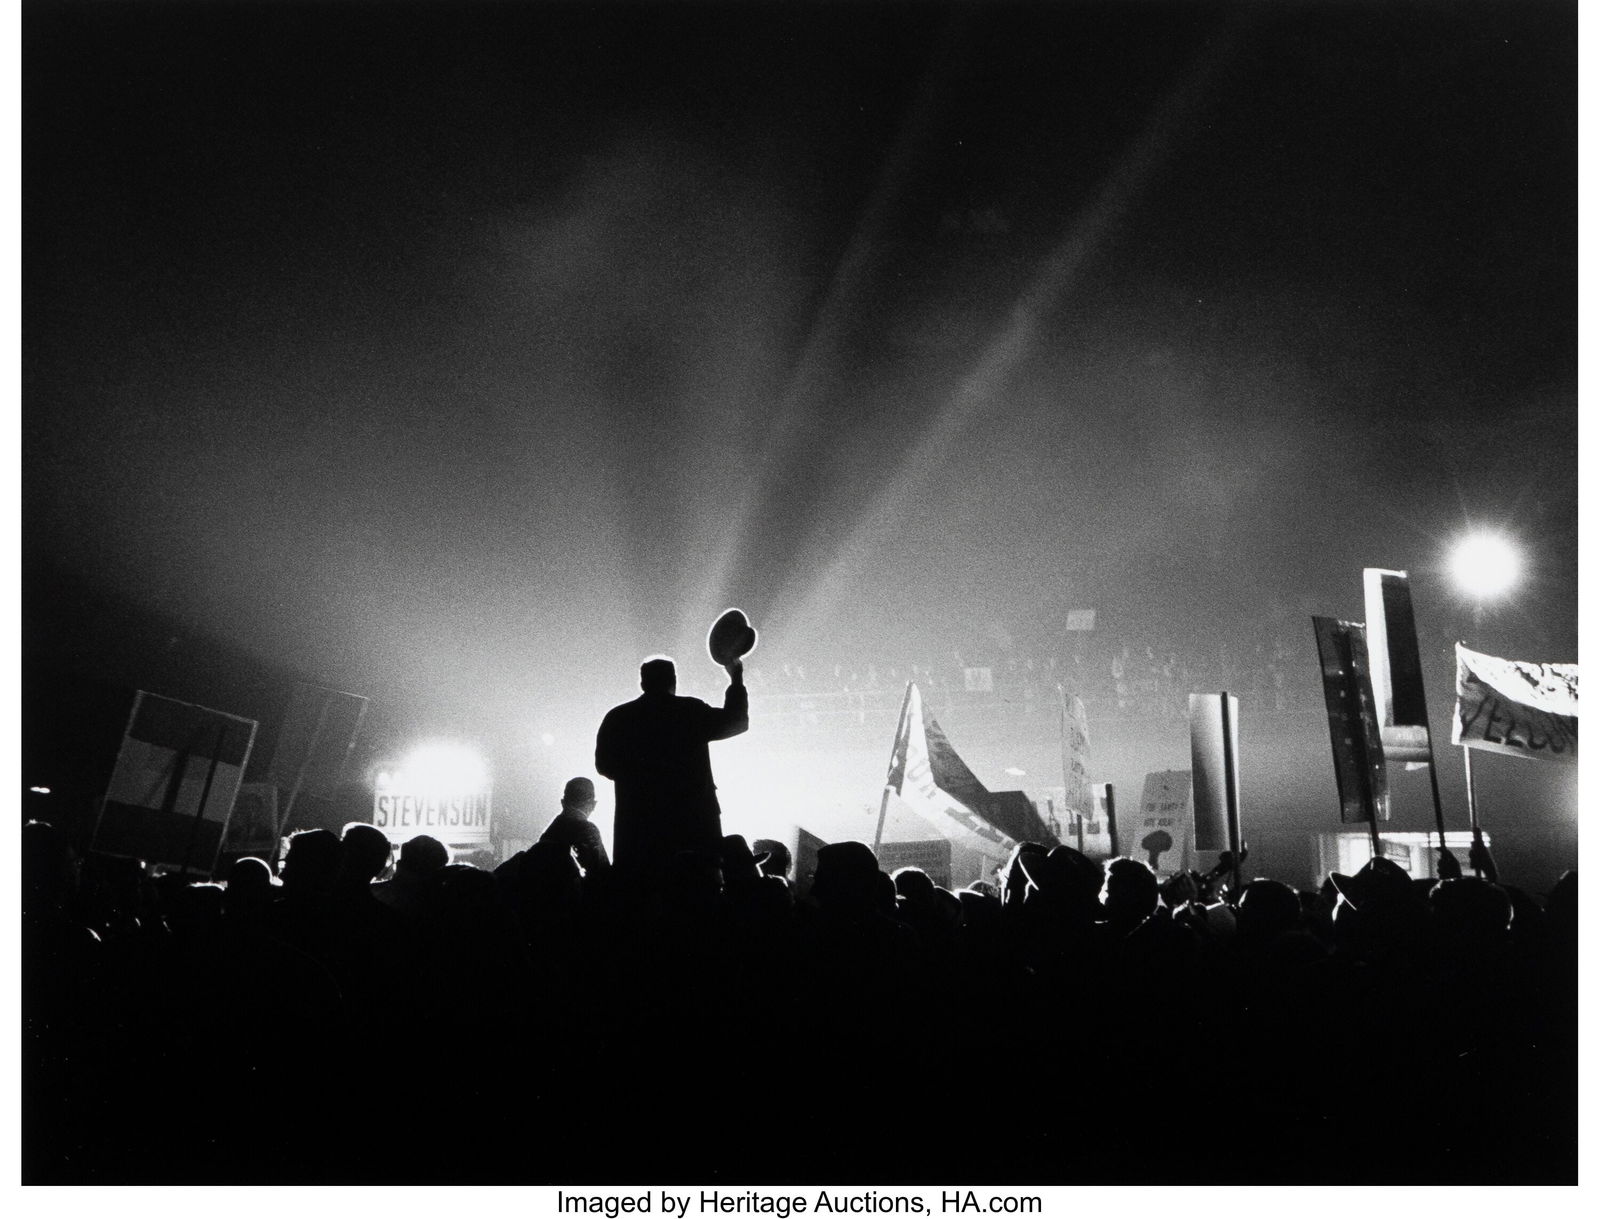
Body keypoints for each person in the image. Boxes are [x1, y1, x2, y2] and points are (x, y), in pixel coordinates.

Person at [595, 654, 748, 878]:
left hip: (638, 833)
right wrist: (736, 678)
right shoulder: (690, 711)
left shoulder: (618, 718)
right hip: (694, 832)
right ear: (673, 680)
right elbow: (737, 721)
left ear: (642, 683)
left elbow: (604, 766)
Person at [537, 776, 610, 877]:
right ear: (593, 805)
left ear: (563, 802)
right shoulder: (588, 831)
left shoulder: (549, 833)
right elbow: (603, 873)